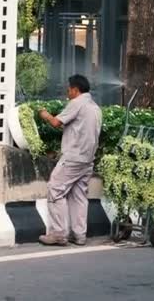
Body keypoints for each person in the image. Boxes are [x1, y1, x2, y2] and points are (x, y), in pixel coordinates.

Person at [37, 74, 102, 246]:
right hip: (88, 159)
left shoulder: (77, 103)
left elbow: (56, 122)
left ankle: (58, 233)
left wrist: (43, 114)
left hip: (73, 157)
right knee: (79, 196)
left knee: (55, 189)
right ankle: (79, 235)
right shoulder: (95, 107)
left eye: (69, 89)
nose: (67, 92)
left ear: (75, 89)